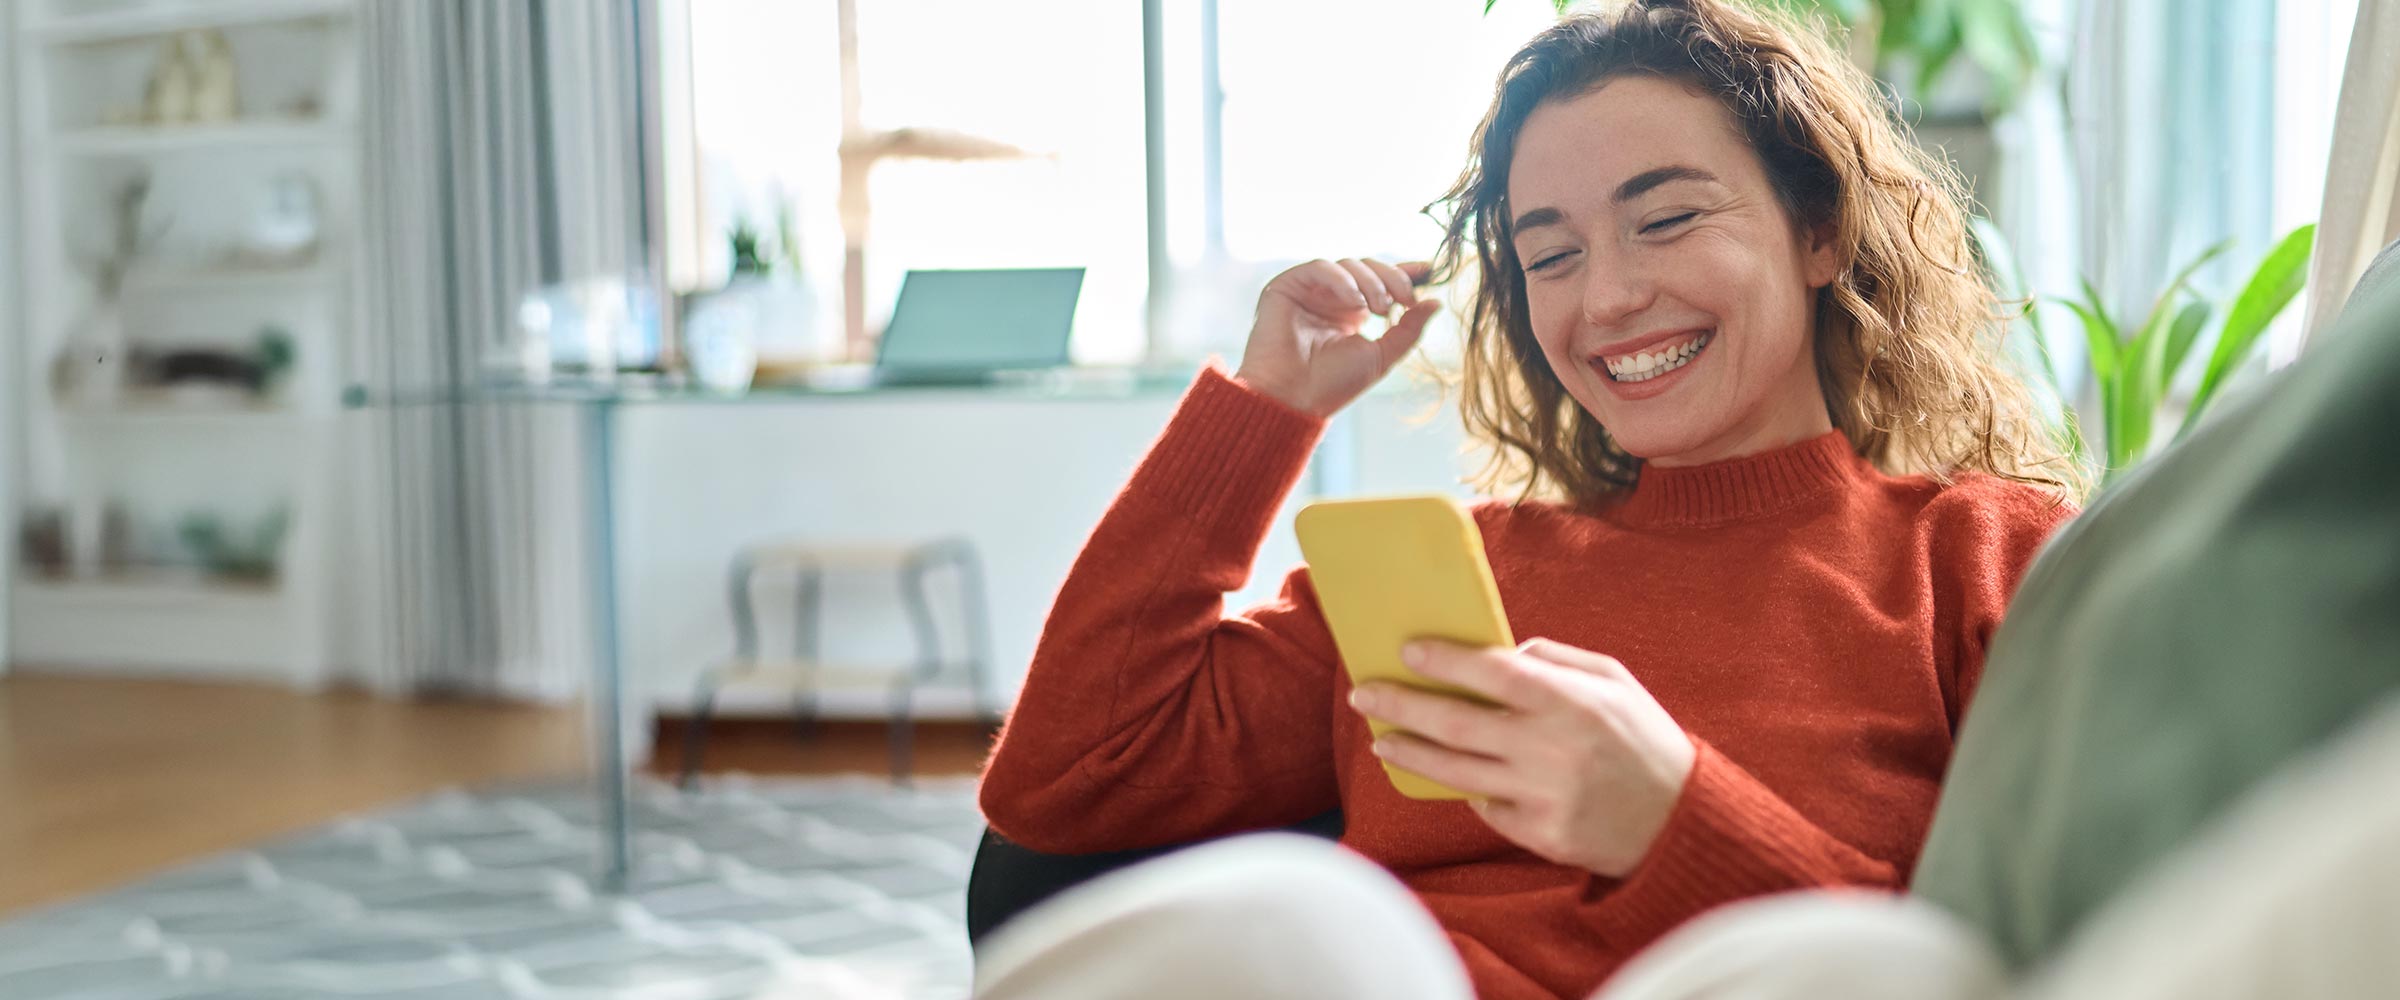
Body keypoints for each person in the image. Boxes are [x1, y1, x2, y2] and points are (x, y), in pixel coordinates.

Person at [976, 1, 2079, 997]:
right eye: (1550, 256)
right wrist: (1266, 410)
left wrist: (1673, 821)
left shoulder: (1984, 557)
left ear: (1819, 231)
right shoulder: (1455, 580)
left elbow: (2044, 954)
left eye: (1666, 220)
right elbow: (1066, 782)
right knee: (1295, 919)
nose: (1607, 298)